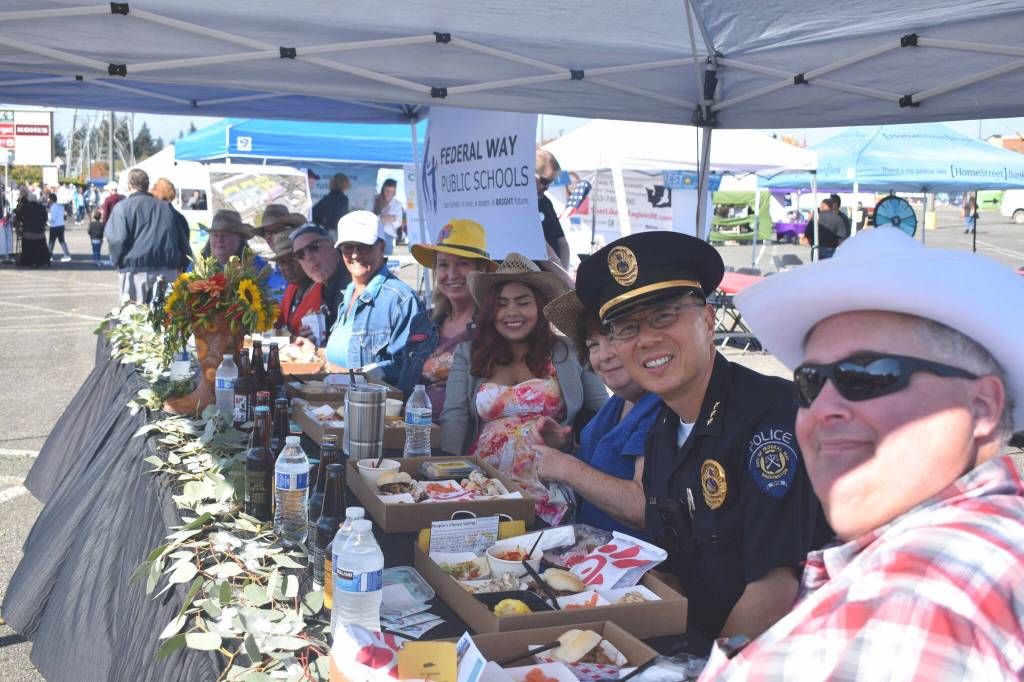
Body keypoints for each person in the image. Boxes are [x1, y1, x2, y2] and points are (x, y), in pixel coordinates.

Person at [699, 227, 1024, 680]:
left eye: (869, 375)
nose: (823, 409)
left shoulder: (921, 596)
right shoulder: (989, 542)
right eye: (810, 382)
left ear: (982, 407)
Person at [574, 230, 831, 650]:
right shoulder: (662, 428)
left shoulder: (769, 423)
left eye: (664, 315)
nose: (648, 338)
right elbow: (671, 562)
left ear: (708, 320)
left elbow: (772, 594)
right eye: (627, 327)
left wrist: (705, 671)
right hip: (695, 646)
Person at [440, 253, 607, 525]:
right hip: (484, 488)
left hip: (550, 486)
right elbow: (455, 416)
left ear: (541, 306)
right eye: (502, 304)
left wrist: (571, 445)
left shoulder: (569, 350)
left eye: (523, 302)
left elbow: (601, 412)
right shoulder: (468, 354)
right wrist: (449, 483)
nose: (511, 313)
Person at [529, 290, 662, 536]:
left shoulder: (658, 406)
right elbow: (604, 470)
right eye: (593, 345)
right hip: (592, 553)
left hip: (633, 567)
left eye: (614, 337)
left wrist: (565, 467)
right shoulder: (619, 402)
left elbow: (644, 508)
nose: (604, 356)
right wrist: (566, 447)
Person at [303, 210, 421, 384]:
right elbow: (347, 352)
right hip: (339, 404)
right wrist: (316, 352)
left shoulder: (401, 300)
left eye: (363, 246)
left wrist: (349, 375)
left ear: (381, 247)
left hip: (372, 409)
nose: (355, 254)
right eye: (348, 247)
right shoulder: (349, 292)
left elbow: (409, 370)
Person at [396, 219, 498, 418]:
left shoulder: (495, 324)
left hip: (465, 441)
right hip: (414, 434)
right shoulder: (422, 322)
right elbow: (403, 387)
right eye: (443, 265)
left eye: (462, 263)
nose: (451, 274)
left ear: (482, 270)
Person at [106, 169, 190, 303]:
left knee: (134, 319)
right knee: (165, 318)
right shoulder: (167, 209)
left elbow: (117, 239)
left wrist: (117, 261)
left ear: (129, 185)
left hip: (135, 271)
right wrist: (182, 265)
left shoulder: (123, 207)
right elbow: (183, 241)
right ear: (147, 185)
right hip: (167, 271)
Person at [289, 223, 351, 342]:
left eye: (313, 247)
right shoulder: (325, 288)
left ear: (332, 244)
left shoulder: (354, 283)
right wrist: (313, 337)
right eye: (300, 254)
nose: (308, 257)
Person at [267, 227, 321, 336]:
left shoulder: (321, 288)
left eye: (292, 258)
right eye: (282, 262)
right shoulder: (292, 288)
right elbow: (277, 320)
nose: (287, 266)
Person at [536, 149, 571, 268]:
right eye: (544, 181)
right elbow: (540, 246)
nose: (546, 187)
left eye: (550, 182)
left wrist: (564, 269)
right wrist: (563, 277)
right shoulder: (520, 205)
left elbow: (563, 243)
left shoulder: (546, 203)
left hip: (551, 276)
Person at [14, 191, 50, 268]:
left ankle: (27, 261)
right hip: (40, 233)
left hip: (28, 233)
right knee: (41, 243)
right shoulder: (41, 207)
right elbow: (45, 218)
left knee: (25, 241)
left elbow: (18, 216)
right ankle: (42, 261)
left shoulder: (25, 207)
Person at [373, 178, 402, 256]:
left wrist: (393, 219)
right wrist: (382, 218)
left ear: (395, 192)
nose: (389, 193)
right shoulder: (376, 200)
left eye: (392, 191)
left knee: (387, 257)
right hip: (375, 234)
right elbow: (370, 216)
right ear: (383, 189)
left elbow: (399, 222)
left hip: (388, 235)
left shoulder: (397, 204)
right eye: (387, 191)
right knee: (374, 256)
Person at [46, 192, 72, 262]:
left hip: (54, 226)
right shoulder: (60, 206)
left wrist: (48, 222)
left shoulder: (53, 207)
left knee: (51, 241)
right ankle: (67, 254)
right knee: (62, 241)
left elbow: (53, 218)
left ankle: (49, 255)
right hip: (61, 225)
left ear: (51, 199)